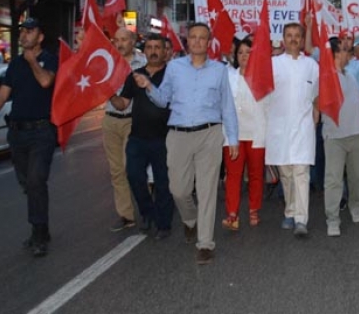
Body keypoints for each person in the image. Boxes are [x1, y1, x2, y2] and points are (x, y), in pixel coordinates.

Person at [135, 23, 238, 265]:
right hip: (179, 134)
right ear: (187, 41)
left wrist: (232, 138)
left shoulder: (219, 70)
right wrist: (149, 86)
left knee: (206, 190)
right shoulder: (174, 67)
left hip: (209, 134)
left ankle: (205, 243)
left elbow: (227, 106)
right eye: (193, 37)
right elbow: (163, 100)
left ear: (209, 42)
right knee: (178, 190)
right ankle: (190, 220)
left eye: (202, 38)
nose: (197, 41)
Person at [0, 18, 58, 257]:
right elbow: (3, 95)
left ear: (40, 37)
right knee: (27, 182)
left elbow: (46, 81)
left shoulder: (50, 59)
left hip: (41, 131)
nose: (24, 35)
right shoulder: (14, 65)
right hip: (17, 132)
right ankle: (41, 226)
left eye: (29, 31)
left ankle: (38, 233)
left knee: (35, 181)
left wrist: (33, 62)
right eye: (22, 31)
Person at [110, 34, 174, 240]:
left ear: (165, 51)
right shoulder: (134, 75)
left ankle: (164, 224)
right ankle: (147, 213)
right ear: (144, 51)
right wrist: (107, 92)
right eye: (149, 47)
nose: (154, 51)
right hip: (137, 138)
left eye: (158, 47)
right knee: (134, 176)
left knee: (163, 183)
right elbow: (123, 104)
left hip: (164, 139)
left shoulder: (172, 74)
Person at [266, 22, 319, 238]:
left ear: (302, 38)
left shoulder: (312, 66)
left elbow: (317, 95)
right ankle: (289, 210)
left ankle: (300, 219)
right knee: (286, 173)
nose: (293, 39)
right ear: (283, 38)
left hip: (304, 127)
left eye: (297, 35)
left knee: (301, 173)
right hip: (279, 128)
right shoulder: (272, 64)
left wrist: (316, 115)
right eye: (289, 35)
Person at [323, 37, 359, 236]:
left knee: (358, 176)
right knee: (333, 179)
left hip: (356, 134)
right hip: (335, 136)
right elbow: (317, 101)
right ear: (335, 54)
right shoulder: (324, 77)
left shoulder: (351, 76)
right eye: (344, 50)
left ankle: (354, 206)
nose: (348, 53)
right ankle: (332, 219)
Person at [221, 38, 268, 231]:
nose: (244, 56)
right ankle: (232, 214)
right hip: (233, 134)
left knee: (256, 174)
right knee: (233, 175)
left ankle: (254, 209)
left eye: (248, 52)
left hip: (256, 133)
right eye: (240, 53)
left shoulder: (263, 77)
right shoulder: (228, 75)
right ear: (235, 56)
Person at [103, 28, 146, 232]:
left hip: (134, 120)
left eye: (123, 39)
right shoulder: (106, 62)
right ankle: (126, 215)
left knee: (133, 169)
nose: (119, 43)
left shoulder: (143, 62)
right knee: (116, 171)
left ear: (132, 41)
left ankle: (146, 208)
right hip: (111, 120)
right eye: (116, 39)